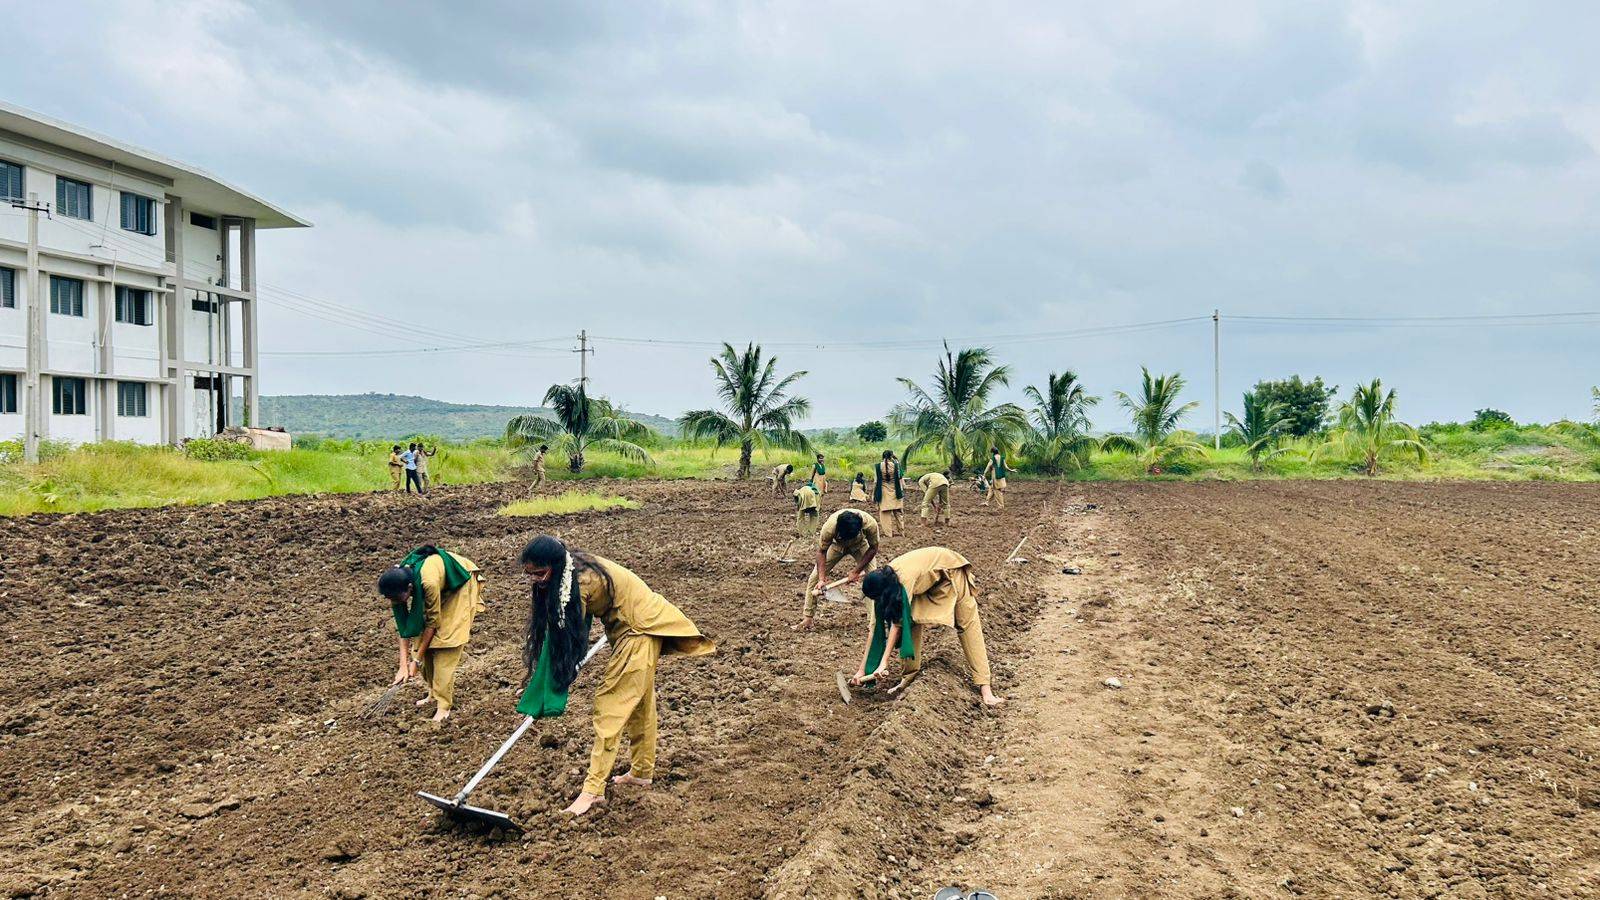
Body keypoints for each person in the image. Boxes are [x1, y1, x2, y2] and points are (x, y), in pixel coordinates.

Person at [517, 535, 715, 816]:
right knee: (640, 704)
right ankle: (641, 773)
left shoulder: (581, 581)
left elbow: (568, 638)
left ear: (555, 565)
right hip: (630, 628)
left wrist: (554, 682)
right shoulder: (568, 572)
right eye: (530, 575)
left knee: (611, 704)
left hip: (639, 630)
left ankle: (593, 791)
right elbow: (558, 632)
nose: (536, 580)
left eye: (540, 573)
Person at [850, 546, 1003, 707]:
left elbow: (898, 624)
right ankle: (908, 678)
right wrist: (862, 670)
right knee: (911, 620)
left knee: (966, 623)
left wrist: (883, 663)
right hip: (927, 580)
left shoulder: (903, 581)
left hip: (950, 569)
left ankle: (986, 688)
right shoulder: (885, 582)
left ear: (884, 593)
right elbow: (875, 628)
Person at [376, 545, 485, 723]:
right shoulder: (396, 584)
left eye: (396, 599)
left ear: (410, 588)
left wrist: (416, 661)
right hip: (437, 585)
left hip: (460, 583)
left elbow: (432, 624)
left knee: (445, 643)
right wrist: (403, 665)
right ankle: (433, 693)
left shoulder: (428, 582)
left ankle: (444, 706)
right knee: (420, 644)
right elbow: (404, 627)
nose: (394, 602)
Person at [792, 508, 880, 632]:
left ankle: (873, 624)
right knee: (814, 578)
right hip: (836, 546)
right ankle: (808, 619)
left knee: (873, 579)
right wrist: (821, 579)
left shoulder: (870, 524)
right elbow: (821, 552)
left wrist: (856, 571)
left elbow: (873, 548)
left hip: (860, 545)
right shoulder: (830, 527)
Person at [873, 450, 906, 538]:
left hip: (884, 493)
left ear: (883, 456)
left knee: (885, 514)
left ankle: (888, 534)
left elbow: (875, 482)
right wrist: (902, 491)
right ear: (891, 456)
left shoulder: (878, 466)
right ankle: (902, 532)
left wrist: (873, 495)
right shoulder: (896, 466)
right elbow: (900, 479)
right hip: (896, 492)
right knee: (898, 513)